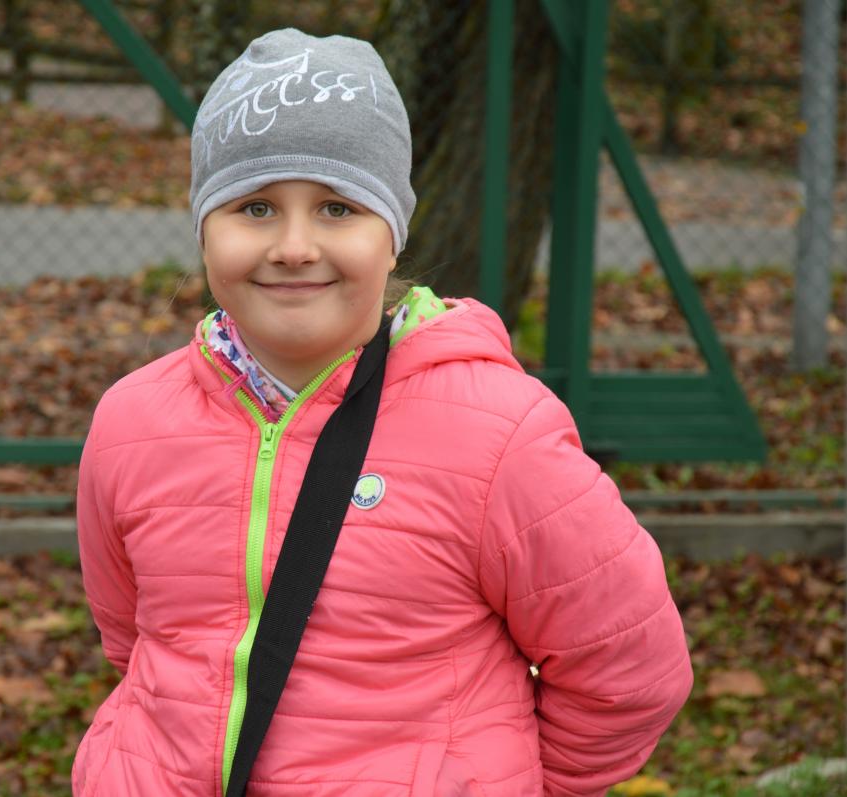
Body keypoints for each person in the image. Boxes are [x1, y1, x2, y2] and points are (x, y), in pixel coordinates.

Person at [74, 28, 692, 797]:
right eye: (255, 206)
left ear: (392, 234)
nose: (294, 246)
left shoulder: (500, 435)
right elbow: (136, 640)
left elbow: (630, 667)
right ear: (204, 228)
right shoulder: (131, 424)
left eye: (337, 207)